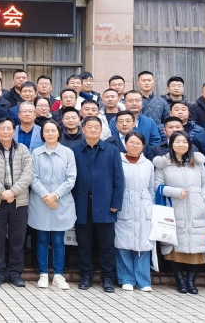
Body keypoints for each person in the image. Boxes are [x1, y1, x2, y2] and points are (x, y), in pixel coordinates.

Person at [154, 130, 205, 294]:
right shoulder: (164, 164)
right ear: (171, 144)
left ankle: (191, 281)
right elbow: (157, 186)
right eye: (177, 141)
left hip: (196, 209)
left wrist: (203, 199)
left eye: (184, 142)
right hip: (174, 210)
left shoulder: (197, 163)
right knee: (174, 247)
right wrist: (175, 192)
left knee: (196, 246)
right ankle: (180, 281)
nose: (181, 145)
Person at [72, 116, 124, 293]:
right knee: (83, 243)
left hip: (105, 204)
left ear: (101, 130)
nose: (93, 130)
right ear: (83, 129)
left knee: (107, 244)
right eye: (90, 127)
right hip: (81, 204)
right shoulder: (74, 150)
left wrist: (116, 202)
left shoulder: (112, 150)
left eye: (96, 127)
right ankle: (86, 275)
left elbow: (119, 179)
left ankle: (107, 277)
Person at [0, 118, 34, 287]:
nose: (5, 131)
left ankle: (15, 273)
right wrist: (3, 193)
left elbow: (28, 173)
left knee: (17, 238)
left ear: (14, 131)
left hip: (19, 201)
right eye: (2, 128)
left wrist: (13, 192)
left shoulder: (23, 149)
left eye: (8, 128)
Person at [29, 120, 76, 290]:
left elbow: (71, 178)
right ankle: (43, 274)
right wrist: (45, 195)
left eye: (53, 131)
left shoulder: (68, 153)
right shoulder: (36, 153)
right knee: (41, 238)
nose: (50, 134)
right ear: (42, 134)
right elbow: (32, 177)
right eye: (46, 131)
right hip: (40, 201)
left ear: (59, 133)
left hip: (61, 202)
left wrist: (55, 195)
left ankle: (58, 275)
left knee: (58, 240)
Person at [115, 131, 155, 292]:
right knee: (123, 243)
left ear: (143, 146)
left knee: (143, 244)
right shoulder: (118, 160)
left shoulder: (148, 164)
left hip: (144, 206)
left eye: (138, 143)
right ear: (125, 144)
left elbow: (151, 188)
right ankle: (126, 278)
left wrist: (150, 206)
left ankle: (143, 280)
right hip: (124, 203)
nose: (134, 145)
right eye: (131, 142)